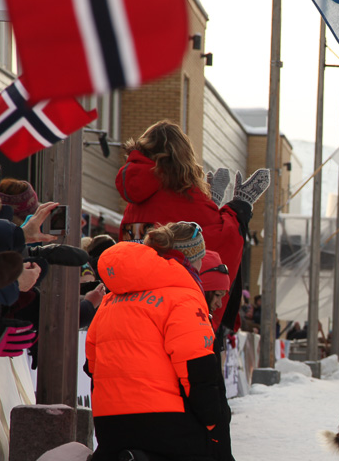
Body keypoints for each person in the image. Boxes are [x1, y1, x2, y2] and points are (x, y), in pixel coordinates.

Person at [86, 222, 240, 461]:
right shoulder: (183, 294)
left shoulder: (111, 297)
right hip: (158, 418)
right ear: (192, 259)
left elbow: (91, 365)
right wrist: (216, 428)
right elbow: (198, 371)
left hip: (108, 424)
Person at [115, 120, 269, 329]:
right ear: (183, 157)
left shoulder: (134, 203)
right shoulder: (185, 195)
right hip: (175, 315)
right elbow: (218, 243)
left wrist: (211, 203)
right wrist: (240, 206)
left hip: (133, 309)